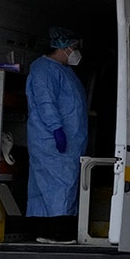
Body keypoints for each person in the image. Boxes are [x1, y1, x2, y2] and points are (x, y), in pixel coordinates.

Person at [26, 26, 89, 244]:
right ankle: (57, 232)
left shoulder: (62, 70)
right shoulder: (43, 69)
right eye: (74, 48)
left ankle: (44, 231)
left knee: (51, 185)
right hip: (52, 140)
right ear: (63, 47)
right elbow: (46, 102)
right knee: (59, 185)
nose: (76, 52)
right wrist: (56, 129)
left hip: (66, 140)